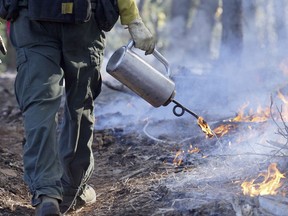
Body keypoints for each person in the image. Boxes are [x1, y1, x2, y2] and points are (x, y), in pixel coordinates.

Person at [0, 0, 155, 215]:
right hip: (84, 20)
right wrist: (132, 19)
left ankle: (47, 195)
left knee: (39, 103)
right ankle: (73, 189)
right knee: (80, 105)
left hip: (32, 20)